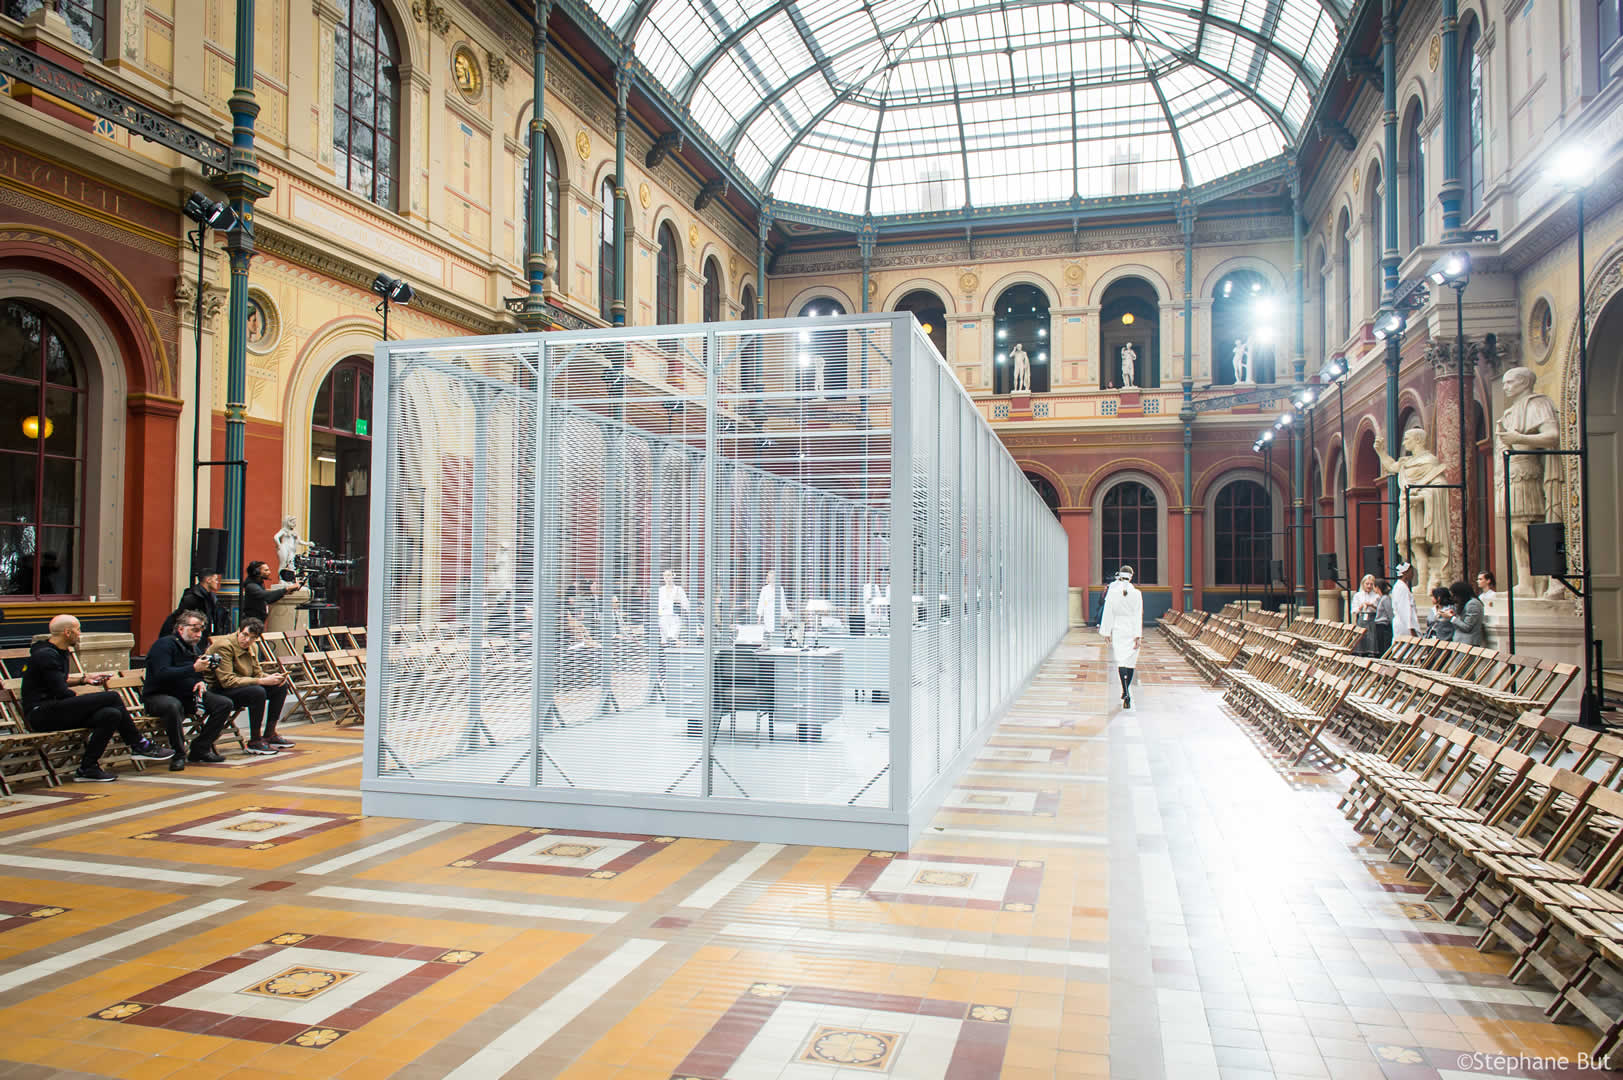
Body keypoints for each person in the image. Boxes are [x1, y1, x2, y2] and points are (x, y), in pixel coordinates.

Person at [20, 615, 169, 781]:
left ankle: (88, 767)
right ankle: (139, 744)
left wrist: (85, 679)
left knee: (111, 714)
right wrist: (86, 703)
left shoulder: (57, 652)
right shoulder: (45, 655)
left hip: (54, 709)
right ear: (67, 632)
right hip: (41, 714)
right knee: (111, 697)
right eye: (78, 629)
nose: (80, 633)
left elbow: (58, 679)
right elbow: (61, 691)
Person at [143, 610, 234, 766]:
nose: (198, 635)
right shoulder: (164, 645)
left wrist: (200, 681)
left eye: (201, 631)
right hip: (159, 695)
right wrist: (193, 669)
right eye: (194, 629)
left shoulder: (193, 648)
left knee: (223, 704)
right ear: (180, 629)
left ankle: (201, 748)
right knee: (173, 706)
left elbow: (197, 672)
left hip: (186, 693)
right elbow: (161, 674)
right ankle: (178, 754)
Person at [1374, 425, 1452, 593]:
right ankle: (1432, 574)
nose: (1404, 442)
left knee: (1417, 547)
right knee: (1403, 548)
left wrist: (1419, 497)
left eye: (1407, 439)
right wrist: (1381, 453)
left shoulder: (1429, 461)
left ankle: (1423, 583)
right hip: (1406, 508)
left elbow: (1440, 486)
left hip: (1417, 510)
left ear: (1418, 440)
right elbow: (1392, 467)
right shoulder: (1407, 462)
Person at [205, 618, 292, 754]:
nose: (247, 640)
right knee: (257, 692)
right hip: (219, 690)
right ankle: (255, 740)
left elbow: (257, 673)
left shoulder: (253, 647)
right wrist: (261, 681)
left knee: (280, 686)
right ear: (239, 631)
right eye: (244, 635)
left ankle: (270, 733)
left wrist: (271, 678)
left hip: (241, 686)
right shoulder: (224, 646)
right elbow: (227, 681)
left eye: (252, 638)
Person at [1099, 566, 1143, 707]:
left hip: (1118, 628)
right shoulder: (1137, 594)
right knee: (1130, 662)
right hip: (1131, 629)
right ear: (1131, 576)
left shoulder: (1112, 593)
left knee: (1121, 660)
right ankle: (1126, 690)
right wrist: (1138, 635)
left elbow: (1108, 613)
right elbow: (1138, 615)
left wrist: (1106, 631)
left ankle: (1124, 690)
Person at [168, 569, 224, 637]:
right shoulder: (192, 597)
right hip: (194, 637)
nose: (217, 582)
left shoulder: (212, 598)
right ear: (208, 580)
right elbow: (182, 619)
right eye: (216, 579)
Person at [1448, 580, 1487, 646]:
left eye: (1455, 596)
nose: (1454, 599)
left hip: (1468, 643)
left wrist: (1452, 618)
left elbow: (1467, 627)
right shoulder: (1467, 603)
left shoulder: (1473, 604)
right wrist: (1454, 614)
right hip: (1460, 642)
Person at [658, 569, 690, 643]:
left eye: (669, 575)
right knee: (664, 640)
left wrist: (678, 602)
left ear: (673, 576)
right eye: (665, 575)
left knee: (672, 637)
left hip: (675, 617)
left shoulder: (678, 590)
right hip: (663, 617)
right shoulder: (660, 590)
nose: (667, 577)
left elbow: (686, 604)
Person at [1351, 574, 1379, 655]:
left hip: (1372, 618)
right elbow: (1354, 610)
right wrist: (1360, 607)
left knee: (1372, 638)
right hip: (1362, 618)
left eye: (1371, 584)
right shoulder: (1358, 595)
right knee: (1362, 638)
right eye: (1367, 584)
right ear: (1363, 584)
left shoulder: (1376, 596)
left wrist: (1371, 605)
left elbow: (1379, 609)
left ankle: (1372, 653)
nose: (1369, 586)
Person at [755, 569, 789, 635]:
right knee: (768, 631)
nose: (772, 579)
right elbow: (761, 603)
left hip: (776, 614)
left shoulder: (780, 589)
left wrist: (782, 616)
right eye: (770, 577)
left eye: (773, 577)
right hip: (767, 613)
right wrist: (759, 617)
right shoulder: (764, 589)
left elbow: (782, 603)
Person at [1391, 562, 1418, 639]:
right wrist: (1411, 628)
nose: (1412, 575)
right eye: (1411, 572)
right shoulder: (1401, 588)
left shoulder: (1401, 586)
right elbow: (1404, 610)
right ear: (1405, 573)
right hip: (1404, 625)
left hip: (1402, 623)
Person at [1373, 580, 1394, 656]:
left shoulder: (1385, 599)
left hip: (1384, 626)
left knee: (1385, 647)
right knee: (1380, 647)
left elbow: (1390, 613)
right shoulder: (1381, 598)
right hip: (1379, 626)